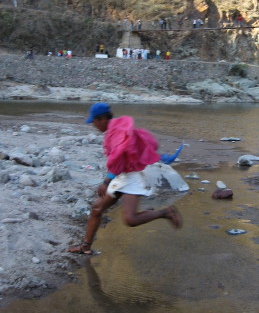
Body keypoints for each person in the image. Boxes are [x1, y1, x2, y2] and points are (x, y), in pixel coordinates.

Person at [68, 103, 182, 255]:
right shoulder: (117, 128)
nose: (94, 125)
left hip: (133, 176)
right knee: (97, 209)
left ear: (102, 119)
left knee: (130, 219)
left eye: (94, 121)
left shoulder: (116, 132)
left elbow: (118, 158)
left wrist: (106, 182)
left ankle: (166, 212)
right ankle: (85, 247)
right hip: (123, 176)